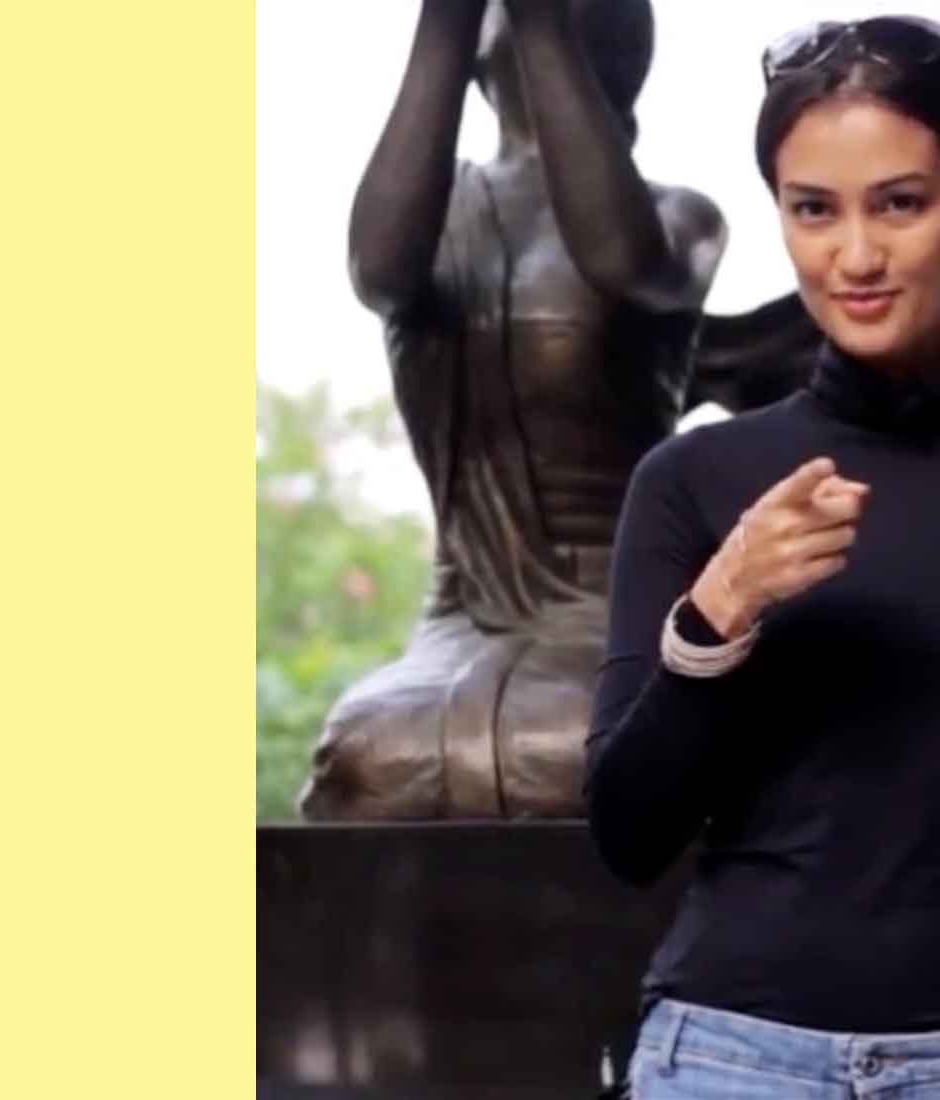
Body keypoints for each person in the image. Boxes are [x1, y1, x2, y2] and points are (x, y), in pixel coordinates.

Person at [585, 16, 940, 1100]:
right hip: (726, 1062)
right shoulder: (693, 482)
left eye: (899, 203)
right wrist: (718, 611)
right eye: (814, 209)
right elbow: (627, 835)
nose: (855, 256)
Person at [298, 0, 736, 820]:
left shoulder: (680, 218)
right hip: (461, 624)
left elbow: (620, 261)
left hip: (609, 617)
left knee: (586, 740)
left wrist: (540, 26)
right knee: (368, 750)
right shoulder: (436, 215)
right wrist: (444, 19)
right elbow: (378, 271)